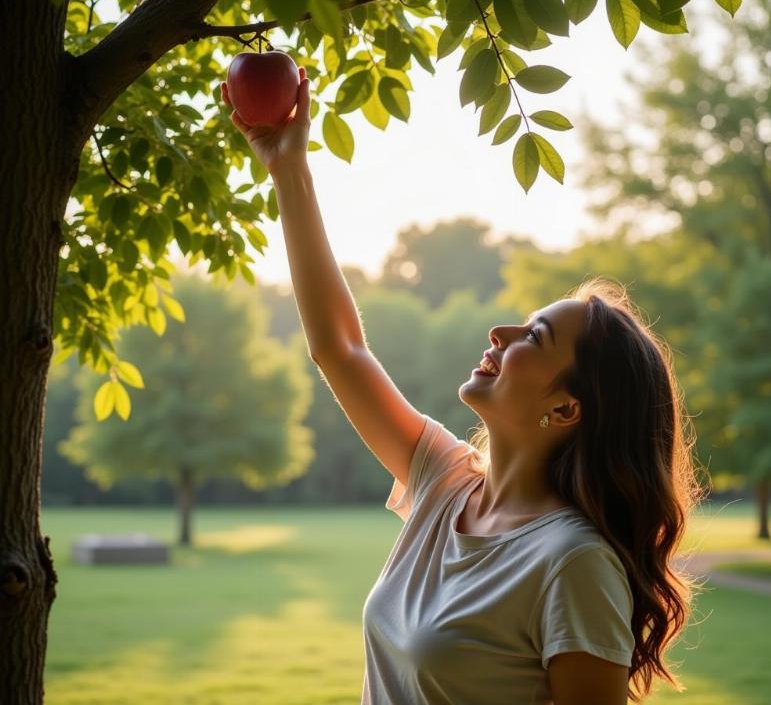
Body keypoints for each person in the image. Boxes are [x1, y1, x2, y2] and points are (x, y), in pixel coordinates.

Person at [221, 68, 705, 704]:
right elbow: (339, 350)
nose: (501, 332)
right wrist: (288, 168)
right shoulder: (445, 484)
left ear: (565, 407)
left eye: (534, 336)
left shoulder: (573, 563)